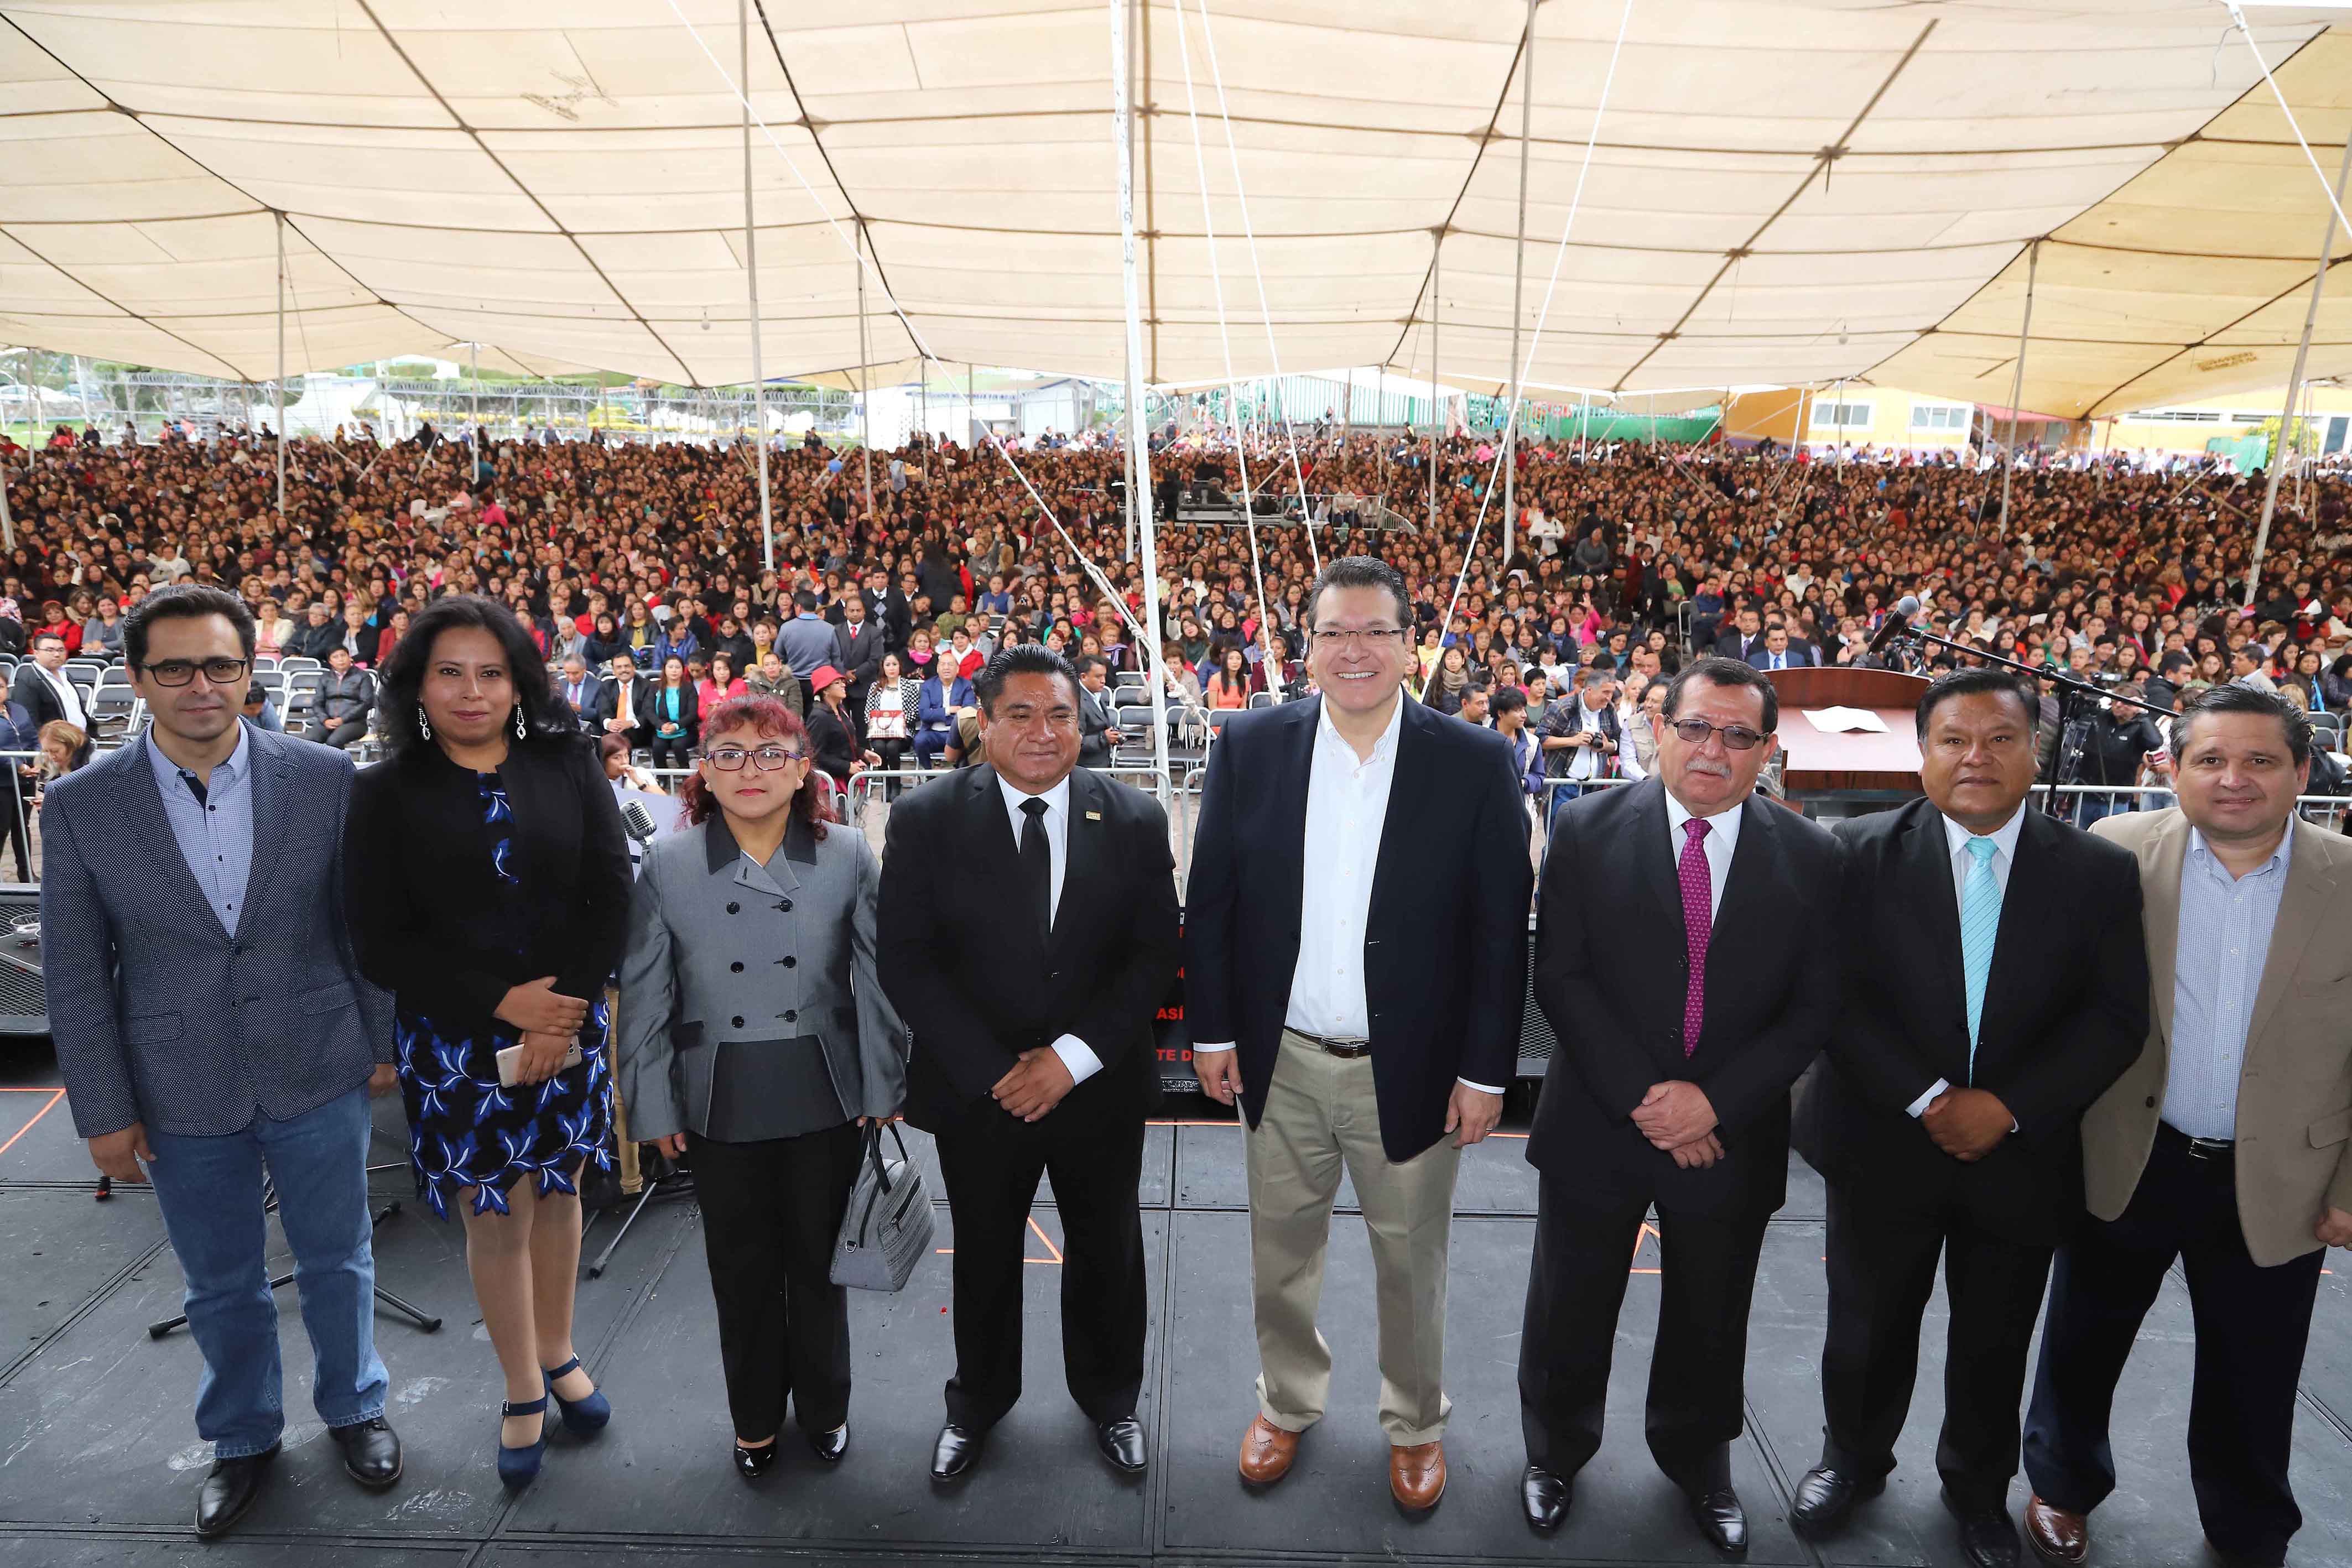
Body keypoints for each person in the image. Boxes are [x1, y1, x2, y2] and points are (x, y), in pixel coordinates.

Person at [39, 584, 403, 1538]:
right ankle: (242, 1437)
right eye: (176, 668)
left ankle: (355, 1406)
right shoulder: (81, 809)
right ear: (136, 679)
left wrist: (380, 1041)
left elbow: (363, 926)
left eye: (221, 665)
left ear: (252, 673)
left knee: (339, 1257)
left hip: (318, 1060)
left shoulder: (327, 779)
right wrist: (101, 1109)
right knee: (219, 1281)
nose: (201, 685)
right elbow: (76, 976)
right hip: (176, 1080)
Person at [1185, 556, 1532, 1513]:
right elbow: (1209, 902)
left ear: (1410, 644)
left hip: (1415, 1068)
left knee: (1410, 1260)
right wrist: (1213, 1033)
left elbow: (1502, 932)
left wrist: (1484, 1070)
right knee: (1279, 1252)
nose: (1354, 651)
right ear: (1306, 647)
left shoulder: (1471, 762)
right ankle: (1288, 1401)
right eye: (1335, 632)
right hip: (1284, 1060)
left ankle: (1414, 1423)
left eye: (1375, 631)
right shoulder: (1249, 746)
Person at [1793, 669, 2150, 1568]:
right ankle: (1852, 1462)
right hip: (1882, 1139)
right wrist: (1930, 1099)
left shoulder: (2099, 871)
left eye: (2000, 739)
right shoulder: (1849, 853)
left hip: (2019, 1154)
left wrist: (2007, 1108)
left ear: (2036, 752)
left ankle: (1976, 1490)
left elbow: (2114, 1017)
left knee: (1994, 1340)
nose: (1976, 758)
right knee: (1865, 1330)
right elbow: (1830, 1000)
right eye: (1953, 740)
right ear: (1921, 755)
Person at [2022, 685, 2352, 1568]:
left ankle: (2247, 1526)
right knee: (2081, 1341)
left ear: (2303, 770)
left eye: (2260, 760)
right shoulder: (2117, 851)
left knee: (2257, 1369)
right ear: (2172, 769)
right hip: (2132, 1153)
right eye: (2210, 759)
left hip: (2281, 1175)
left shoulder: (2351, 879)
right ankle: (2062, 1486)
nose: (2233, 778)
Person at [1520, 657, 1841, 1550]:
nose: (1713, 749)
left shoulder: (1813, 856)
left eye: (1738, 736)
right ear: (1659, 729)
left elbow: (1812, 1008)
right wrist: (1647, 1100)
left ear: (1766, 751)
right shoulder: (1584, 828)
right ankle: (1552, 1453)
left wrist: (1712, 1106)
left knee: (1711, 1316)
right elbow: (1563, 975)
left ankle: (1699, 1466)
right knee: (1568, 1307)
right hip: (1598, 1123)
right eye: (1696, 727)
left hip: (1726, 1138)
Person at [342, 595, 632, 1494]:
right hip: (458, 1042)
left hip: (570, 1024)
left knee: (558, 1190)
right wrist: (507, 1003)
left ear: (520, 682)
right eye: (449, 673)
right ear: (417, 688)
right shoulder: (383, 791)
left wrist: (567, 1009)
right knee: (495, 1212)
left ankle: (558, 1349)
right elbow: (379, 940)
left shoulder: (568, 760)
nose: (472, 691)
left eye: (491, 672)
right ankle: (519, 1388)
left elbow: (610, 894)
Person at [877, 645, 1180, 1483]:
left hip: (1098, 1088)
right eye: (1022, 714)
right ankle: (975, 1402)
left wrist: (1070, 1060)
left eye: (1061, 715)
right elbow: (907, 962)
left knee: (1108, 1250)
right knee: (981, 1252)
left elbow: (1153, 957)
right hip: (982, 1095)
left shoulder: (1135, 818)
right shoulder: (926, 818)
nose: (1044, 733)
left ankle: (1112, 1399)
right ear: (984, 721)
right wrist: (997, 1070)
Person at [616, 696, 906, 1478]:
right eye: (732, 752)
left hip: (823, 1088)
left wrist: (884, 1084)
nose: (753, 769)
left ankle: (825, 1407)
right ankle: (753, 1417)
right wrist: (652, 1102)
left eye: (772, 752)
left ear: (804, 767)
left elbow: (878, 983)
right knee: (739, 1269)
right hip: (718, 1093)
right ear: (703, 769)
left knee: (819, 1264)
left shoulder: (848, 852)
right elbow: (647, 995)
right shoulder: (671, 864)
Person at [1538, 664, 1619, 829]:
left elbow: (1618, 742)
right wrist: (1573, 741)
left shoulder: (1609, 710)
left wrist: (1606, 746)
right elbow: (1541, 739)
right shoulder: (1564, 707)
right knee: (1557, 839)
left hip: (1595, 788)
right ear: (1589, 689)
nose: (1609, 698)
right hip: (1563, 785)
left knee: (1587, 842)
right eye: (1605, 692)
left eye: (1611, 693)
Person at [309, 645, 375, 751]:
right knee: (310, 740)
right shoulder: (325, 678)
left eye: (343, 655)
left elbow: (367, 702)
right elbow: (317, 703)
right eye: (336, 657)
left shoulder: (363, 676)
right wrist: (325, 720)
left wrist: (342, 719)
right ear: (330, 661)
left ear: (350, 658)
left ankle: (339, 766)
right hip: (328, 721)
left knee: (334, 742)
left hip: (354, 722)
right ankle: (314, 767)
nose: (340, 659)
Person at [914, 657, 974, 770]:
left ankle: (960, 775)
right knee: (919, 741)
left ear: (957, 669)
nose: (946, 668)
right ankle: (929, 775)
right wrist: (949, 710)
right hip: (932, 733)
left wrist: (935, 714)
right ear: (937, 669)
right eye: (943, 664)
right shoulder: (928, 686)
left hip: (956, 733)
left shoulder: (966, 686)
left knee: (969, 742)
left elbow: (967, 713)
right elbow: (924, 714)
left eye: (950, 665)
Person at [648, 654, 699, 772]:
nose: (674, 671)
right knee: (658, 747)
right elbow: (648, 710)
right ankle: (662, 777)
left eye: (677, 667)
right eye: (670, 667)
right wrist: (661, 725)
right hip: (662, 729)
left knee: (678, 745)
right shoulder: (655, 687)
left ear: (683, 670)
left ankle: (685, 775)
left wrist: (676, 726)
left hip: (685, 730)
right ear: (665, 669)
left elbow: (692, 713)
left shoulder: (689, 688)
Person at [1075, 654, 1122, 767]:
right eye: (1098, 677)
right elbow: (1075, 742)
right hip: (1087, 768)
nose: (1103, 681)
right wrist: (1104, 738)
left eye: (1104, 676)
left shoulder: (1095, 695)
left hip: (1101, 763)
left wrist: (1111, 736)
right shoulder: (1077, 701)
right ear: (1083, 677)